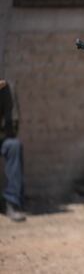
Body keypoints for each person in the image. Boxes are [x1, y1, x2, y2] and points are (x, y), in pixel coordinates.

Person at [0, 79, 25, 222]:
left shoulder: (8, 89)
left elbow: (13, 127)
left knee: (14, 146)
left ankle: (11, 203)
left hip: (2, 138)